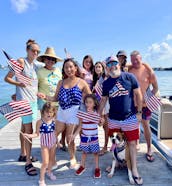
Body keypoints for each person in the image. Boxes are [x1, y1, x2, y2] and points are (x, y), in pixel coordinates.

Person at [37, 58, 91, 169]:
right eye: (66, 67)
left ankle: (72, 158)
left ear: (76, 68)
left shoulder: (82, 82)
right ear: (64, 69)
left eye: (71, 66)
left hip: (74, 112)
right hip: (61, 111)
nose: (68, 69)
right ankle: (52, 160)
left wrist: (89, 110)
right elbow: (55, 98)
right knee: (53, 135)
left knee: (69, 138)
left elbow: (91, 98)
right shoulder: (61, 82)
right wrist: (45, 97)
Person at [99, 56, 143, 185]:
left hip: (130, 117)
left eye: (114, 63)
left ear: (119, 63)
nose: (113, 66)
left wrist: (139, 112)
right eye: (109, 64)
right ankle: (117, 162)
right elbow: (103, 100)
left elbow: (138, 95)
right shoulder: (106, 83)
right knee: (114, 143)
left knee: (132, 144)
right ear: (106, 67)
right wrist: (99, 115)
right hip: (113, 119)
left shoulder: (129, 77)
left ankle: (134, 169)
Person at [4, 39, 40, 176]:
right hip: (24, 102)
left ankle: (23, 154)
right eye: (33, 50)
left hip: (32, 101)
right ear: (27, 50)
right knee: (29, 129)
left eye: (37, 51)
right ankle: (28, 162)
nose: (35, 53)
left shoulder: (34, 65)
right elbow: (7, 78)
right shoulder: (21, 62)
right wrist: (19, 86)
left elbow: (32, 83)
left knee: (23, 128)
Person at [129, 50, 159, 162]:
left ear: (141, 58)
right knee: (134, 124)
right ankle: (136, 144)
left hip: (145, 104)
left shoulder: (148, 71)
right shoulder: (129, 70)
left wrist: (149, 98)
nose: (135, 62)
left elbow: (155, 87)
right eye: (132, 60)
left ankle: (149, 149)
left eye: (137, 59)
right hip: (133, 103)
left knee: (146, 125)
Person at [37, 47, 67, 152]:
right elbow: (33, 86)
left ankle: (58, 142)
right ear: (44, 59)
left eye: (53, 59)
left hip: (57, 102)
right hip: (44, 103)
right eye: (48, 58)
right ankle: (47, 145)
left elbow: (63, 83)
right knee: (47, 124)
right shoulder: (39, 71)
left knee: (59, 125)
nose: (51, 61)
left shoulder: (58, 70)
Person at [24, 102, 57, 186]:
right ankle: (41, 180)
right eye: (47, 112)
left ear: (53, 112)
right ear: (43, 112)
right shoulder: (40, 122)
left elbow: (55, 132)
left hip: (53, 143)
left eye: (51, 112)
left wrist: (58, 142)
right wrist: (28, 135)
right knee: (45, 162)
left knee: (51, 160)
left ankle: (49, 172)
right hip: (45, 145)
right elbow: (37, 134)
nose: (49, 114)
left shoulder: (54, 120)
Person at [71, 94, 102, 178]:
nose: (88, 104)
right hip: (84, 136)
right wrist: (74, 135)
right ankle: (82, 166)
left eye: (90, 102)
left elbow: (100, 124)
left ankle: (97, 168)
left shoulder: (96, 113)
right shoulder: (82, 114)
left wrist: (102, 121)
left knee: (95, 153)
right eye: (86, 102)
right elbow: (80, 126)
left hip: (93, 137)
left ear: (94, 104)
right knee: (84, 152)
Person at [92, 61, 109, 156]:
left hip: (106, 103)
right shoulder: (96, 78)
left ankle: (105, 146)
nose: (97, 68)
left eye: (99, 67)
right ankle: (97, 145)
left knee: (106, 126)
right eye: (96, 67)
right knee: (101, 125)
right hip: (98, 103)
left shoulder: (104, 78)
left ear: (102, 68)